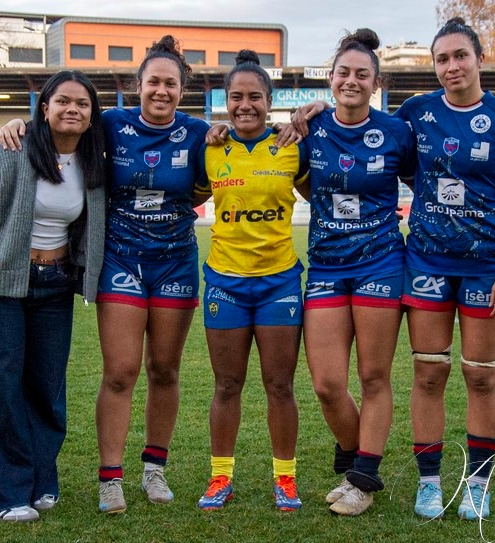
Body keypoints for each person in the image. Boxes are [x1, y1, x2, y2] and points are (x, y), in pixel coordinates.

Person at [0, 35, 209, 513]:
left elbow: (205, 187)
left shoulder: (198, 133)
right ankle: (110, 477)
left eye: (170, 84)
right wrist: (18, 123)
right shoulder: (109, 123)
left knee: (164, 370)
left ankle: (154, 469)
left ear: (181, 89)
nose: (161, 91)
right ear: (138, 85)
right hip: (120, 262)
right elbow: (59, 133)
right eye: (153, 81)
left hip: (176, 262)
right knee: (120, 371)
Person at [0, 70, 107, 522]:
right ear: (45, 108)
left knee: (45, 388)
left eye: (83, 104)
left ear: (93, 116)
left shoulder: (95, 163)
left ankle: (39, 482)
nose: (72, 109)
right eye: (63, 101)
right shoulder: (9, 149)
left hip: (54, 287)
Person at [393, 18, 495, 521]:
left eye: (460, 56)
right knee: (429, 373)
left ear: (479, 59)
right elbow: (377, 140)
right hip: (427, 262)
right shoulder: (415, 113)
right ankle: (429, 483)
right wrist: (316, 108)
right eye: (442, 59)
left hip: (486, 269)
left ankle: (477, 483)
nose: (451, 66)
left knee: (480, 377)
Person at [287, 29, 415, 517]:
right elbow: (299, 184)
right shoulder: (310, 127)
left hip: (382, 262)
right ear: (331, 78)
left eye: (363, 74)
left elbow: (427, 183)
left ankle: (363, 477)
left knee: (374, 375)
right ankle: (355, 451)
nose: (352, 81)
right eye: (344, 73)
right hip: (326, 266)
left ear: (376, 82)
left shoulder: (398, 133)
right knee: (326, 384)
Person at [193, 50, 309, 512]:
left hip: (279, 281)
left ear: (268, 100)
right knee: (226, 385)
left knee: (280, 385)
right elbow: (183, 197)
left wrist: (308, 117)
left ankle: (286, 479)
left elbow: (322, 194)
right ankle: (221, 477)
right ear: (226, 100)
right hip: (225, 280)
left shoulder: (291, 147)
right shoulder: (211, 148)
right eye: (237, 97)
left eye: (255, 97)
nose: (245, 105)